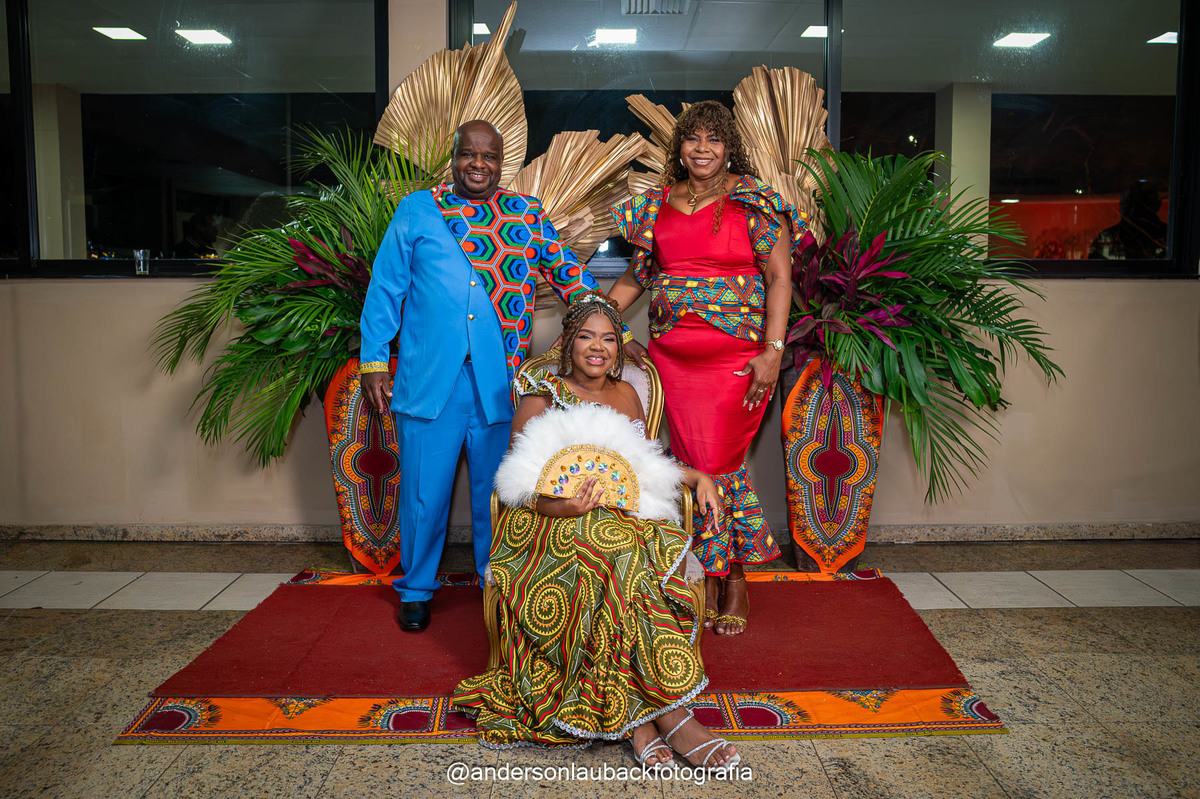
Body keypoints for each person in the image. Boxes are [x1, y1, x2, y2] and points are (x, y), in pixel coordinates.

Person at [452, 294, 740, 771]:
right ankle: (671, 718)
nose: (598, 347)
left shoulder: (627, 394)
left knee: (622, 552)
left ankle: (639, 720)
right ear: (568, 342)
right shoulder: (542, 393)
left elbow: (644, 466)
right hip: (547, 523)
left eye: (608, 338)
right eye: (586, 336)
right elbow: (518, 483)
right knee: (617, 554)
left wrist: (696, 477)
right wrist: (564, 505)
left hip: (617, 519)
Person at [358, 120, 617, 632]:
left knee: (498, 493)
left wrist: (612, 330)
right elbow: (385, 288)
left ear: (503, 163)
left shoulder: (526, 214)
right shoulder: (418, 209)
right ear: (453, 158)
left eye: (490, 156)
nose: (478, 164)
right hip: (429, 381)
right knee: (424, 495)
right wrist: (374, 361)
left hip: (501, 384)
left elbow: (570, 275)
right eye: (468, 154)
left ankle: (496, 584)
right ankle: (416, 589)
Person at [607, 100, 806, 636]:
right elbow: (636, 278)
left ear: (729, 147)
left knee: (719, 464)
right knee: (693, 463)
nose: (702, 148)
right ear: (679, 147)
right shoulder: (655, 206)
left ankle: (730, 577)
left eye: (713, 139)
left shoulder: (755, 201)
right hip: (672, 361)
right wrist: (602, 321)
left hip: (737, 360)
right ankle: (707, 576)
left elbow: (780, 279)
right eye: (693, 138)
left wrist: (774, 350)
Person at [1087, 180, 1167, 260]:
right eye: (1126, 205)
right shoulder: (1168, 235)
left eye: (1138, 206)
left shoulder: (1167, 235)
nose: (1131, 210)